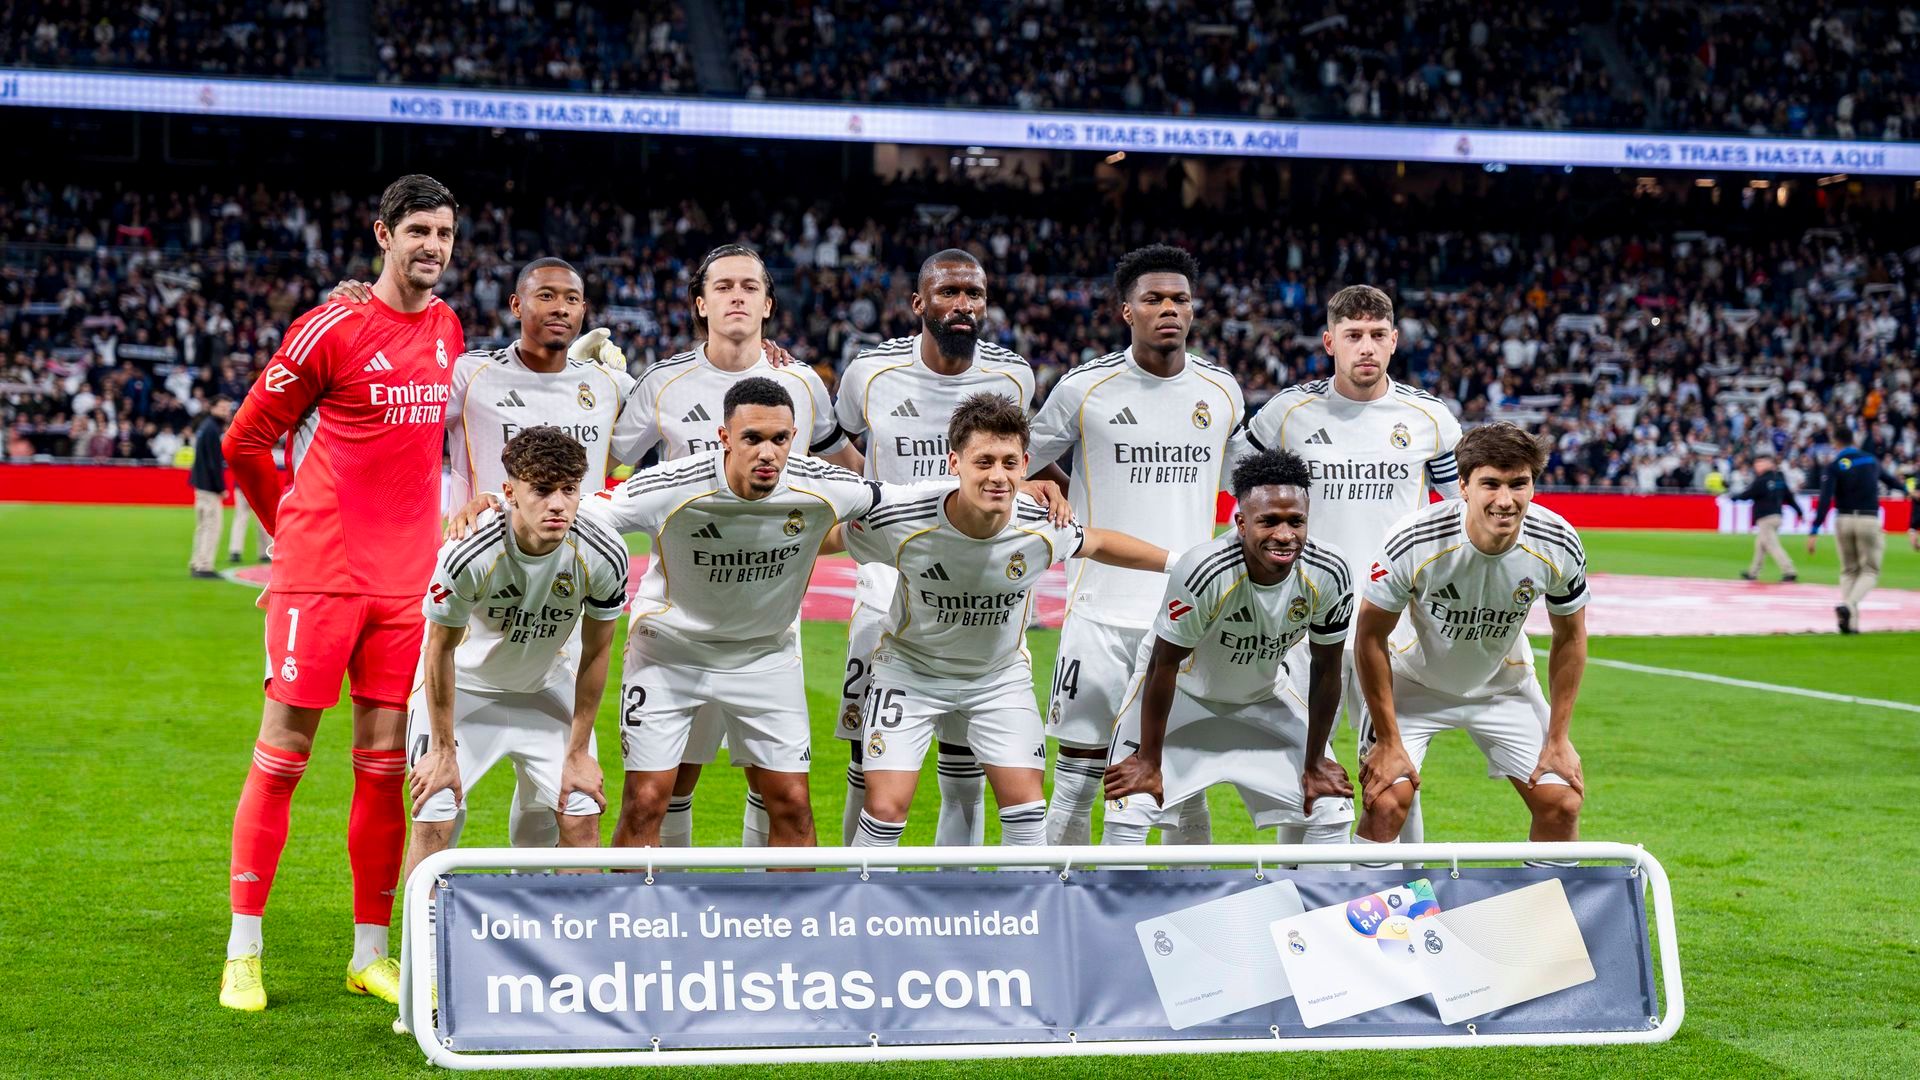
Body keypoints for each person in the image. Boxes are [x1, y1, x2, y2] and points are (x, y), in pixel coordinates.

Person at [217, 174, 465, 1012]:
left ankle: (369, 953)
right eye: (419, 231)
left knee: (383, 769)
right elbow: (246, 438)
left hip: (406, 586)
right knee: (282, 756)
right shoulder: (333, 325)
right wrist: (285, 531)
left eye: (445, 234)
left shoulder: (448, 328)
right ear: (382, 234)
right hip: (321, 575)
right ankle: (243, 949)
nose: (433, 247)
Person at [333, 256, 635, 849]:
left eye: (571, 300)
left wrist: (764, 353)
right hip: (484, 585)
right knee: (440, 807)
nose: (560, 309)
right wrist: (362, 314)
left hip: (568, 598)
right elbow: (394, 404)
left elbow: (687, 417)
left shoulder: (609, 386)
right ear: (517, 306)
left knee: (562, 812)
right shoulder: (470, 376)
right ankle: (430, 932)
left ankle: (544, 924)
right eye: (545, 296)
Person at [609, 243, 861, 850]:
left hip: (768, 617)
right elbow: (609, 466)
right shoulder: (664, 381)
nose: (738, 296)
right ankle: (654, 915)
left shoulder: (800, 382)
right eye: (723, 287)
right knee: (668, 785)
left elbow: (844, 474)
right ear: (701, 303)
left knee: (775, 790)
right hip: (680, 610)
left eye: (750, 286)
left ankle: (763, 924)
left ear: (769, 304)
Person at [838, 393, 1168, 849]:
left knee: (1027, 812)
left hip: (998, 679)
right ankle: (868, 917)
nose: (998, 475)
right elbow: (832, 537)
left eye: (1010, 463)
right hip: (910, 674)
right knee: (886, 812)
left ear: (1026, 464)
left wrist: (1179, 563)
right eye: (984, 461)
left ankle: (1026, 920)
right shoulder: (904, 515)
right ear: (954, 462)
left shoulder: (1041, 522)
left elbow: (1097, 542)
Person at [585, 377, 889, 850]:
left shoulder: (819, 485)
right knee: (645, 800)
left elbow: (906, 503)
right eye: (752, 438)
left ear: (793, 438)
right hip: (670, 657)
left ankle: (788, 923)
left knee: (792, 803)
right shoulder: (671, 485)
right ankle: (639, 921)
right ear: (724, 438)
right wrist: (493, 509)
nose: (768, 452)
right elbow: (577, 513)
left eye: (780, 439)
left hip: (765, 659)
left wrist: (1009, 491)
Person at [1027, 244, 1245, 847]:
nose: (1168, 309)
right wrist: (1046, 485)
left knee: (1183, 781)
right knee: (1075, 775)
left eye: (1179, 298)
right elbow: (1016, 462)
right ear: (1127, 311)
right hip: (1098, 611)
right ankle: (1063, 901)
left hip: (1186, 615)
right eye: (1153, 299)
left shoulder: (1222, 391)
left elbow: (1247, 487)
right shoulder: (1085, 389)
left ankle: (1184, 910)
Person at [1231, 283, 1462, 849]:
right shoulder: (1287, 413)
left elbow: (1457, 515)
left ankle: (1405, 886)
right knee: (1301, 758)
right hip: (1302, 618)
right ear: (1330, 341)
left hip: (1392, 622)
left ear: (1395, 342)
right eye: (1354, 336)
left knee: (1394, 762)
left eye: (1377, 336)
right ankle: (1294, 890)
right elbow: (1241, 487)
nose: (1366, 347)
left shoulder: (1431, 418)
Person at [830, 249, 1036, 848]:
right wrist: (873, 497)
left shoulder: (1013, 376)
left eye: (974, 293)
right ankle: (856, 886)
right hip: (885, 588)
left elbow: (1019, 459)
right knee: (863, 763)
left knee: (965, 769)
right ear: (920, 304)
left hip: (976, 585)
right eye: (948, 293)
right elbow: (834, 440)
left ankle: (958, 894)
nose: (963, 305)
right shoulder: (870, 372)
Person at [1350, 422, 1590, 870]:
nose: (1506, 499)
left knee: (1562, 803)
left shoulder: (1557, 541)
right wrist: (1387, 738)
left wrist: (1559, 738)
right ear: (1462, 486)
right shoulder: (1413, 539)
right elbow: (1369, 636)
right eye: (1490, 484)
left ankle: (1544, 929)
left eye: (1519, 484)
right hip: (1412, 685)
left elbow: (1570, 636)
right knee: (1385, 801)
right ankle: (1365, 933)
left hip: (1505, 686)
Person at [403, 426, 626, 885]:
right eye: (541, 491)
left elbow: (598, 650)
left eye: (569, 490)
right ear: (509, 492)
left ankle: (573, 952)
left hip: (545, 691)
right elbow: (438, 650)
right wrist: (443, 749)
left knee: (582, 815)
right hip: (464, 693)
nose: (558, 504)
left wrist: (580, 750)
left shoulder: (603, 552)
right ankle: (419, 956)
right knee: (434, 815)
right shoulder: (468, 551)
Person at [1103, 449, 1355, 851]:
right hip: (1181, 696)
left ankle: (1316, 912)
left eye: (1296, 521)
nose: (1285, 534)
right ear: (1241, 523)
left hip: (1263, 695)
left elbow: (1327, 670)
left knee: (1331, 809)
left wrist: (1315, 762)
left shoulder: (1330, 570)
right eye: (1268, 521)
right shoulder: (1204, 569)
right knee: (1129, 810)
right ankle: (1113, 914)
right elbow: (1162, 666)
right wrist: (1149, 762)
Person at [1806, 424, 1906, 633]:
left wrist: (1815, 530)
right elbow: (1890, 481)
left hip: (1843, 519)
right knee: (1870, 571)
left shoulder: (1834, 464)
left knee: (1849, 570)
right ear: (1854, 440)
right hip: (1868, 519)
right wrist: (1908, 491)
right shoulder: (1870, 460)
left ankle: (1850, 624)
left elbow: (1825, 499)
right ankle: (1849, 607)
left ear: (1835, 442)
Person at [1731, 454, 1805, 582]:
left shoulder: (1761, 481)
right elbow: (1790, 498)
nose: (1757, 466)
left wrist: (1733, 497)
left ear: (1769, 464)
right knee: (1760, 545)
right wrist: (1799, 512)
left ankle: (1789, 571)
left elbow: (1747, 494)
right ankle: (1753, 572)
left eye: (1760, 463)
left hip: (1765, 518)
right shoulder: (1779, 480)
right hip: (1777, 517)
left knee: (1772, 545)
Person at [190, 396, 235, 579]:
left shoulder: (205, 426)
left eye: (227, 408)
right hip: (209, 487)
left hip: (200, 484)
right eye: (223, 408)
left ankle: (196, 562)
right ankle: (204, 566)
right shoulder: (212, 430)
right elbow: (213, 462)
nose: (226, 412)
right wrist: (220, 487)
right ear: (213, 408)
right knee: (212, 526)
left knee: (202, 526)